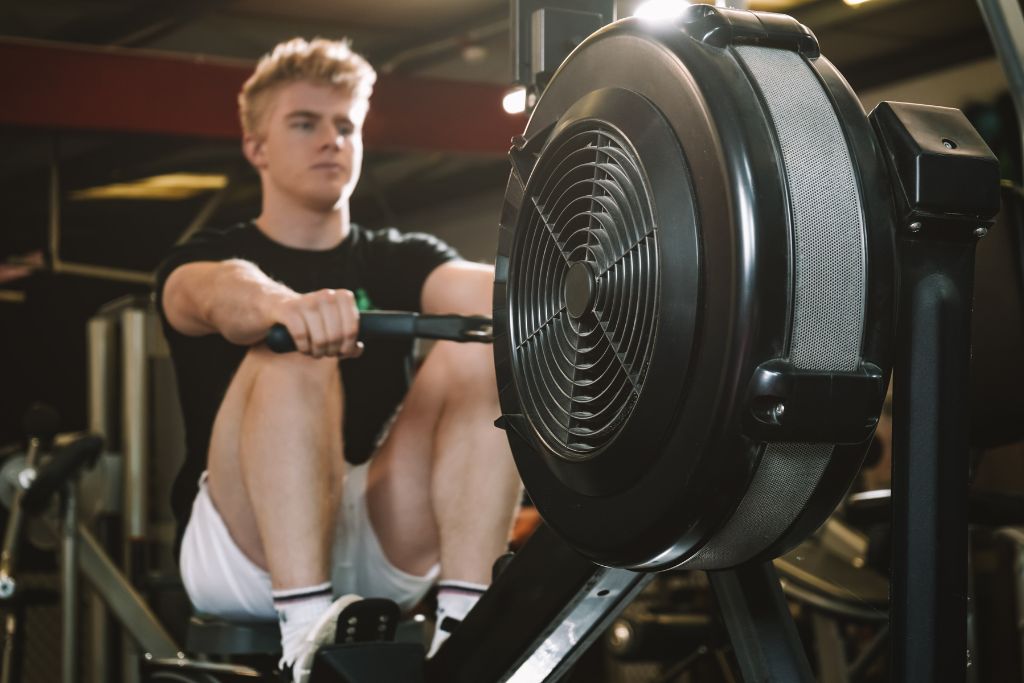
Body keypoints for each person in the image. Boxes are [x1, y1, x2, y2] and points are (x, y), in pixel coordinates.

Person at [155, 37, 522, 682]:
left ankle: (465, 630)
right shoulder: (211, 256)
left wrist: (586, 284)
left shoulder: (400, 255)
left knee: (484, 341)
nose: (332, 139)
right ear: (257, 147)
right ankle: (305, 636)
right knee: (290, 344)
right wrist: (283, 307)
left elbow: (490, 292)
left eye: (345, 125)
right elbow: (214, 292)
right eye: (304, 123)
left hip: (380, 535)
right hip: (246, 554)